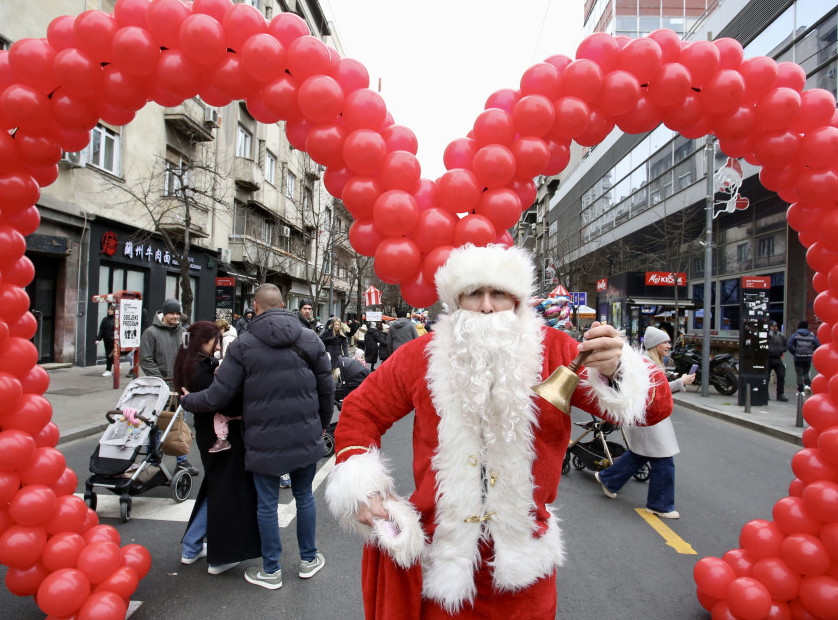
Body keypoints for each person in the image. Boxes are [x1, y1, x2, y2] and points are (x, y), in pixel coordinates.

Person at [324, 244, 671, 619]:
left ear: (518, 300)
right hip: (441, 564)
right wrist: (365, 488)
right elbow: (362, 409)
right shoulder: (422, 354)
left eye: (499, 293)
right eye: (475, 293)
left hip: (524, 570)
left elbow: (653, 410)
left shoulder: (556, 351)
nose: (488, 306)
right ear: (456, 302)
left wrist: (618, 369)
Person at [181, 284, 335, 590]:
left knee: (266, 504)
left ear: (256, 306)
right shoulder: (309, 338)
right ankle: (308, 559)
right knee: (304, 496)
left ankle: (271, 569)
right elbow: (326, 388)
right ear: (283, 305)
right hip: (304, 434)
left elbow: (219, 394)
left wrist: (188, 401)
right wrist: (320, 424)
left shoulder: (243, 345)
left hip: (262, 438)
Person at [173, 321, 261, 574]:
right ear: (205, 340)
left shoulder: (188, 364)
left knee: (216, 487)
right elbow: (222, 400)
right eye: (216, 340)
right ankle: (219, 557)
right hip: (221, 437)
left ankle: (192, 546)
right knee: (224, 491)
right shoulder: (201, 370)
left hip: (207, 433)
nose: (218, 345)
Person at [595, 325, 693, 521]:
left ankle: (609, 478)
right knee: (664, 461)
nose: (668, 346)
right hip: (650, 421)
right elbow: (657, 392)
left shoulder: (650, 362)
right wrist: (681, 382)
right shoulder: (646, 364)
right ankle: (660, 505)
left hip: (649, 420)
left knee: (641, 455)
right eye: (664, 342)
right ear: (654, 345)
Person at [139, 298, 198, 476]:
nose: (175, 317)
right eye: (172, 313)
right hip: (159, 388)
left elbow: (190, 356)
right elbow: (146, 360)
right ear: (164, 314)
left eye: (177, 314)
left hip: (179, 387)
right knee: (156, 426)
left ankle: (182, 461)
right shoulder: (151, 333)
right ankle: (153, 461)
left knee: (179, 425)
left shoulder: (184, 333)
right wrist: (161, 382)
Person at [788, 320, 820, 395]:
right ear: (807, 327)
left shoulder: (795, 335)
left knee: (799, 373)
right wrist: (811, 350)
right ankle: (807, 386)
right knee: (806, 372)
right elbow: (818, 344)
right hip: (807, 357)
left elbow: (789, 345)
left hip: (798, 357)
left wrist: (794, 352)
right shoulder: (811, 335)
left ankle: (800, 390)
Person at [767, 321, 788, 402]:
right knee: (766, 377)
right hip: (768, 359)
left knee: (781, 376)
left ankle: (780, 394)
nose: (775, 328)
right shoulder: (767, 336)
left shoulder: (781, 337)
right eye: (773, 326)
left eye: (776, 326)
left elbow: (785, 346)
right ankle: (765, 393)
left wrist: (781, 350)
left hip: (778, 359)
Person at [95, 305, 116, 377]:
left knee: (110, 355)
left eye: (111, 310)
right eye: (109, 309)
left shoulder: (116, 320)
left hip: (113, 340)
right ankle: (112, 366)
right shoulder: (105, 319)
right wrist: (98, 339)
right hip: (106, 339)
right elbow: (101, 330)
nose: (109, 311)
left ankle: (108, 369)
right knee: (109, 354)